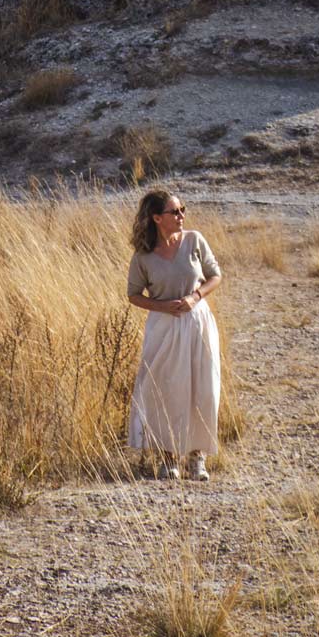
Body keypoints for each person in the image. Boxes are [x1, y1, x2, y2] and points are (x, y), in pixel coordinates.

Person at [126, 188, 221, 481]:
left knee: (203, 387)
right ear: (157, 218)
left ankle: (198, 459)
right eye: (174, 212)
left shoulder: (194, 240)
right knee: (165, 388)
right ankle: (169, 459)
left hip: (197, 323)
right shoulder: (143, 256)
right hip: (163, 328)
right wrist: (162, 306)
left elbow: (215, 275)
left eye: (183, 210)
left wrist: (195, 297)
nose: (181, 216)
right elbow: (133, 295)